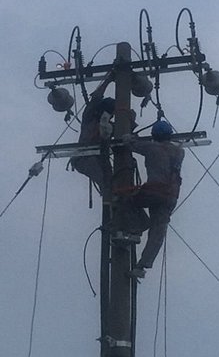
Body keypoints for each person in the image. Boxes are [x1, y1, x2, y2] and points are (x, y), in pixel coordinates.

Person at [123, 120, 184, 278]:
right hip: (171, 196)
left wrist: (128, 137)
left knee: (127, 200)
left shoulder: (151, 148)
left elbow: (131, 144)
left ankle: (137, 227)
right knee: (158, 231)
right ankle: (142, 266)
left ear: (154, 135)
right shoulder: (179, 152)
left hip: (154, 191)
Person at [69, 73, 115, 194]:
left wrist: (130, 118)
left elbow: (126, 132)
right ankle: (110, 196)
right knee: (106, 183)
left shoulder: (109, 126)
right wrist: (108, 80)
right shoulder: (90, 117)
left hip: (99, 158)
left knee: (113, 182)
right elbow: (96, 97)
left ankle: (112, 198)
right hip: (84, 157)